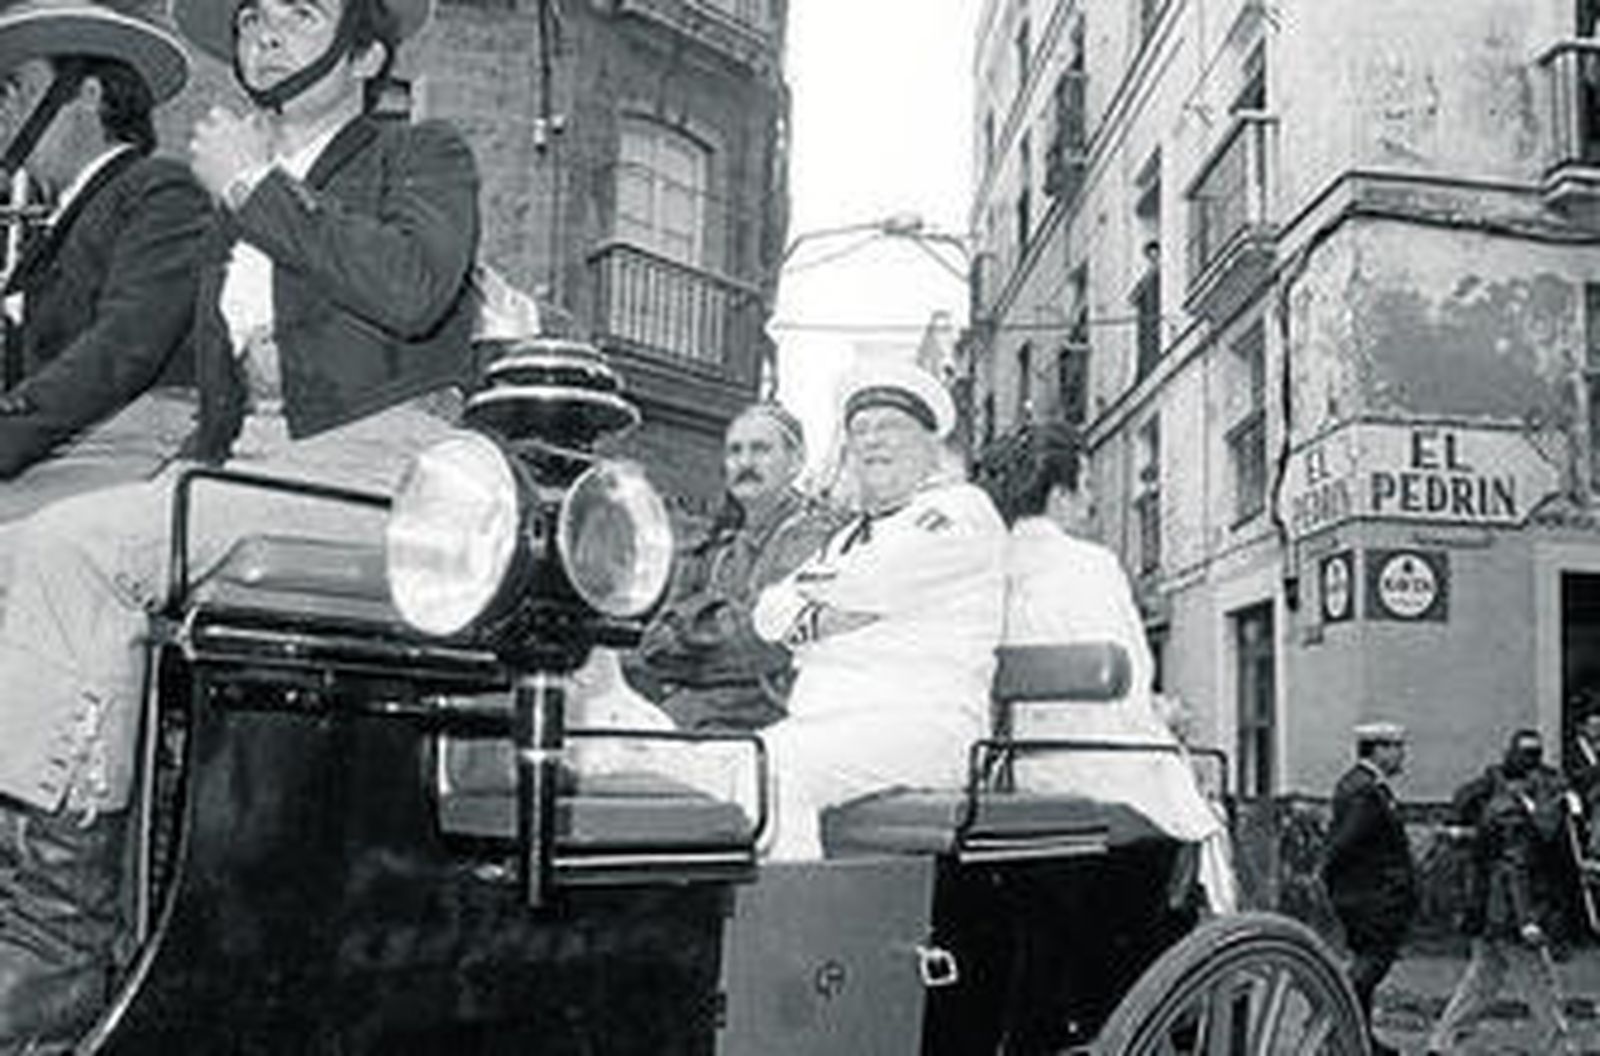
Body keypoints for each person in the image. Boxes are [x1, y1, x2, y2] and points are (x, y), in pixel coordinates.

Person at [0, 0, 478, 1044]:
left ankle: (59, 947)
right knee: (47, 549)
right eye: (254, 13)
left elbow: (412, 288)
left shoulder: (422, 156)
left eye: (300, 13)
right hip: (249, 468)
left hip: (383, 474)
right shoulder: (231, 186)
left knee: (67, 547)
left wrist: (256, 188)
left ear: (364, 55)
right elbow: (222, 402)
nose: (263, 27)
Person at [752, 360, 1006, 860]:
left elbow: (871, 581)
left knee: (777, 774)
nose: (872, 442)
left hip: (927, 727)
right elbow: (767, 612)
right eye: (860, 431)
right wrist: (827, 615)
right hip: (829, 724)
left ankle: (799, 931)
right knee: (729, 764)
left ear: (931, 444)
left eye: (889, 427)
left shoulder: (961, 511)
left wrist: (810, 610)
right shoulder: (849, 536)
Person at [0, 0, 209, 518]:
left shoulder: (159, 189)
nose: (4, 113)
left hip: (134, 443)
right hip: (69, 446)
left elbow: (124, 347)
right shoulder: (57, 221)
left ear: (86, 96)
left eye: (17, 90)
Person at [991, 422, 1226, 854]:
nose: (1091, 502)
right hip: (1095, 770)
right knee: (1204, 815)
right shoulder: (1090, 565)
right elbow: (1131, 682)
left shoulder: (989, 567)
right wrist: (1166, 717)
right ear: (1059, 496)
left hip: (1017, 768)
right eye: (1086, 486)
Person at [626, 402, 841, 731]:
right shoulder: (718, 549)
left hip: (767, 718)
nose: (745, 463)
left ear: (795, 463)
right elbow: (654, 640)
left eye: (761, 450)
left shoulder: (813, 538)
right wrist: (700, 633)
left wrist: (683, 648)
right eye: (735, 452)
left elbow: (765, 642)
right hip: (699, 709)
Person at [1426, 730, 1578, 1055]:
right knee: (1540, 981)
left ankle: (1443, 1041)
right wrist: (1526, 920)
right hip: (1509, 913)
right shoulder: (1518, 812)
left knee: (1482, 981)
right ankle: (1560, 1047)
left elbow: (1483, 845)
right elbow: (1515, 868)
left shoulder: (1498, 803)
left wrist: (1458, 835)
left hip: (1488, 909)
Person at [1322, 721, 1417, 1056]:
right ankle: (1334, 1027)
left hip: (1365, 894)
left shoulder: (1363, 784)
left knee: (1369, 966)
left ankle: (1358, 1038)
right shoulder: (1365, 790)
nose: (1402, 755)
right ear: (1378, 750)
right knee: (1370, 966)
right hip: (1371, 897)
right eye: (1396, 747)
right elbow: (1344, 843)